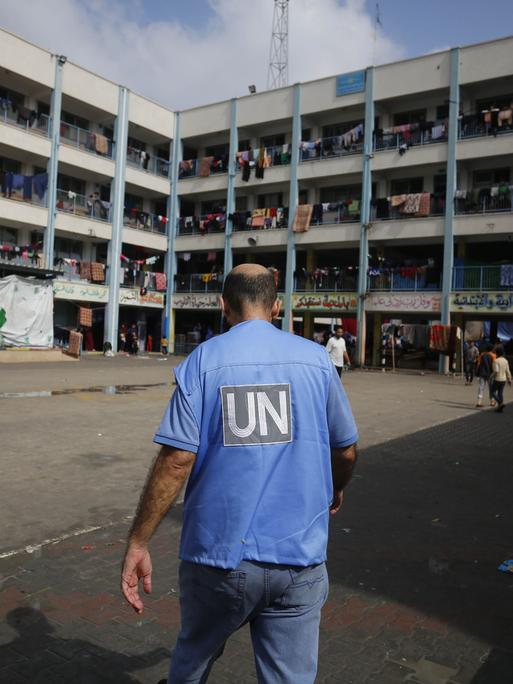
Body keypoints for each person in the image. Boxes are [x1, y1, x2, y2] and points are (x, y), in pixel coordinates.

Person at [120, 264, 358, 684]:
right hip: (299, 558)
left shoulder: (204, 361)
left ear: (223, 305)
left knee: (192, 662)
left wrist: (139, 540)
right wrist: (335, 488)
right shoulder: (316, 361)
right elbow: (346, 449)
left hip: (219, 558)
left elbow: (176, 462)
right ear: (277, 305)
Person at [491, 345, 512, 412]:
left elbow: (496, 371)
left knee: (493, 392)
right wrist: (509, 380)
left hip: (497, 379)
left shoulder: (496, 361)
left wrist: (491, 376)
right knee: (500, 393)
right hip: (504, 379)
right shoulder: (505, 361)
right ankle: (500, 408)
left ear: (496, 353)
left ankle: (500, 403)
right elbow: (508, 371)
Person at [475, 343, 496, 407]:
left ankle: (479, 402)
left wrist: (477, 373)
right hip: (490, 374)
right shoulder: (493, 355)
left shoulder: (482, 355)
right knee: (491, 388)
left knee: (481, 387)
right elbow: (494, 365)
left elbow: (478, 364)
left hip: (482, 373)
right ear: (492, 349)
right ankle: (492, 401)